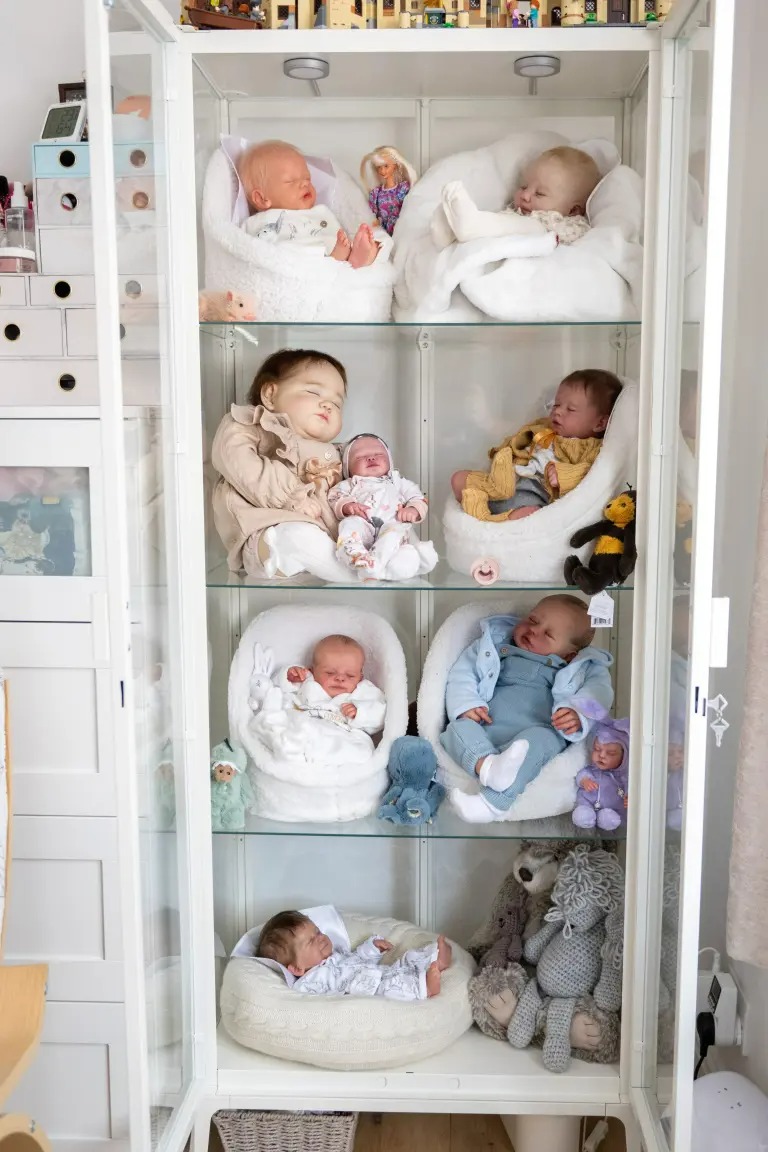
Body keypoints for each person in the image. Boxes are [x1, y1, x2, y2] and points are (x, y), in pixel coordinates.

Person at [441, 595, 613, 822]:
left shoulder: (583, 667)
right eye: (532, 620)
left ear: (569, 654)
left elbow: (599, 693)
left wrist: (577, 713)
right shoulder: (494, 646)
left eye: (548, 634)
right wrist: (467, 704)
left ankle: (492, 804)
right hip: (486, 727)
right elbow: (464, 672)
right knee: (456, 729)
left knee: (541, 741)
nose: (534, 630)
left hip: (539, 731)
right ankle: (488, 766)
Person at [211, 348, 347, 577]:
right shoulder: (252, 425)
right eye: (314, 392)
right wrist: (291, 496)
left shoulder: (336, 454)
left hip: (326, 536)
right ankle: (348, 571)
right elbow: (239, 461)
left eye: (337, 403)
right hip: (265, 529)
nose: (328, 405)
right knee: (296, 537)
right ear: (270, 395)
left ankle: (362, 559)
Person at [451, 369, 622, 522]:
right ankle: (483, 507)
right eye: (556, 404)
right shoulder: (544, 427)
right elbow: (516, 440)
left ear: (599, 423)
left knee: (531, 513)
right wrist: (503, 453)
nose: (558, 411)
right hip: (505, 480)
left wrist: (563, 475)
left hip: (533, 491)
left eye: (570, 409)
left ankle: (493, 515)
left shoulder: (591, 447)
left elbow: (592, 474)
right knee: (458, 479)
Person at [431, 145, 601, 250]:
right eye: (524, 187)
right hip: (501, 232)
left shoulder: (574, 226)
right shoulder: (515, 211)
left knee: (535, 229)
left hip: (539, 236)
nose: (525, 195)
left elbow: (557, 240)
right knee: (492, 223)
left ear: (573, 210)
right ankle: (450, 233)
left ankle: (470, 225)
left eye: (539, 193)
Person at [256, 908, 452, 999]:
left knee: (405, 961)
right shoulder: (309, 982)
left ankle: (434, 958)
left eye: (317, 931)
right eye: (310, 941)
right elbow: (317, 1004)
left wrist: (372, 948)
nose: (320, 938)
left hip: (380, 972)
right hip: (369, 989)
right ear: (297, 968)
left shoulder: (336, 955)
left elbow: (356, 959)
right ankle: (425, 987)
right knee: (393, 986)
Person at [239, 140, 379, 268]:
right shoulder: (257, 222)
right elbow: (254, 254)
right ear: (262, 199)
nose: (305, 183)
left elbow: (333, 235)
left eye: (307, 178)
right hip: (293, 262)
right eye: (290, 181)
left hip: (329, 252)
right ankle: (339, 259)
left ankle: (354, 257)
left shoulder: (320, 212)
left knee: (349, 243)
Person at [329, 433, 437, 580]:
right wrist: (347, 506)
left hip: (392, 524)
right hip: (364, 525)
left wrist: (413, 509)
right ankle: (355, 555)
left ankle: (375, 565)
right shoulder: (350, 483)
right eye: (360, 457)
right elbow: (334, 496)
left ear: (389, 461)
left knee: (396, 531)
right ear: (348, 468)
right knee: (349, 524)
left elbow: (418, 497)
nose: (371, 458)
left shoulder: (397, 481)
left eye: (378, 454)